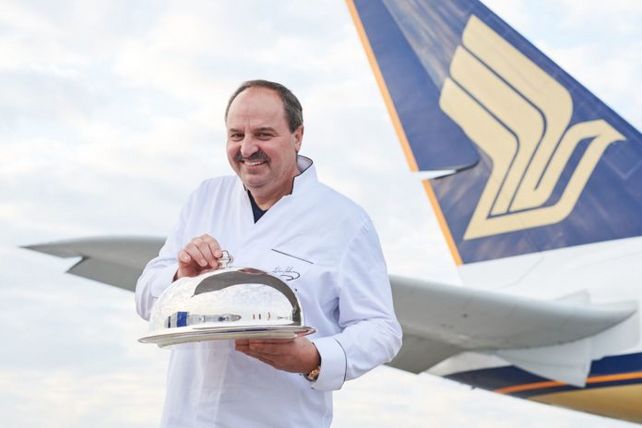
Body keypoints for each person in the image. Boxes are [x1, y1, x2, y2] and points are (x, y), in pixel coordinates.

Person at [135, 79, 402, 427]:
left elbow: (381, 329)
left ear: (297, 136)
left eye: (263, 134)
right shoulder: (205, 198)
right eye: (236, 135)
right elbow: (145, 298)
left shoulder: (345, 222)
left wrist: (314, 357)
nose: (247, 148)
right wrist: (180, 278)